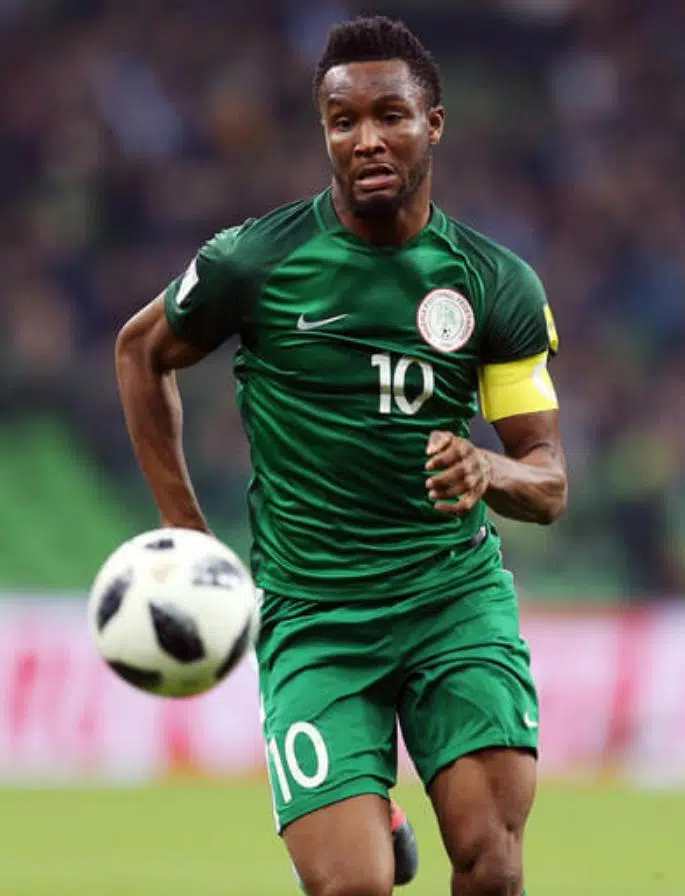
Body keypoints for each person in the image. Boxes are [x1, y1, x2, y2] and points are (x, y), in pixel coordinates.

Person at [115, 15, 567, 896]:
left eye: (390, 116)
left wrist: (490, 468)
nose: (366, 140)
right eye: (343, 121)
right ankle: (377, 820)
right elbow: (141, 352)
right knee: (353, 886)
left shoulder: (495, 283)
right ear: (323, 131)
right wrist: (187, 535)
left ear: (433, 124)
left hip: (453, 604)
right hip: (315, 618)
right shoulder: (257, 261)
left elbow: (547, 477)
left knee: (491, 863)